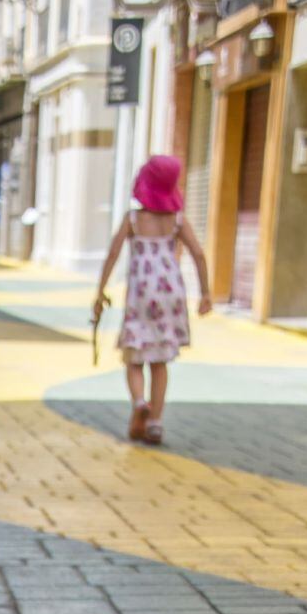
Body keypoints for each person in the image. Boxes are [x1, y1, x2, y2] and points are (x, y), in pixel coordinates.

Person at [93, 155, 212, 445]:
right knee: (160, 361)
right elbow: (198, 253)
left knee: (134, 356)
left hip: (141, 294)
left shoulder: (134, 219)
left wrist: (101, 290)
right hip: (170, 292)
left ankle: (138, 403)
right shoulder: (176, 220)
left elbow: (113, 253)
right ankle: (156, 421)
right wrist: (206, 293)